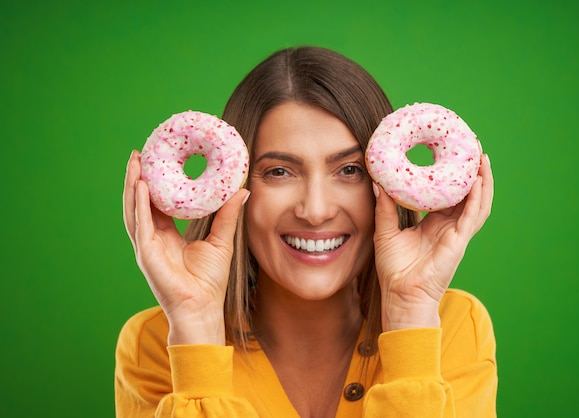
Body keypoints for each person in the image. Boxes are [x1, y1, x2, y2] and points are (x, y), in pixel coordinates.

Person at [116, 46, 497, 417]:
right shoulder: (155, 344)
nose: (315, 211)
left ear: (388, 185)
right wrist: (195, 326)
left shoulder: (455, 326)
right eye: (279, 172)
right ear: (232, 188)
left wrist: (411, 311)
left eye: (350, 170)